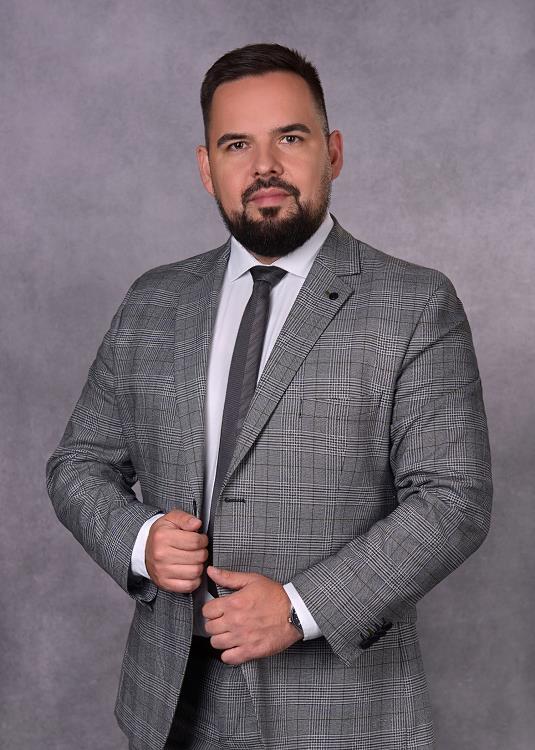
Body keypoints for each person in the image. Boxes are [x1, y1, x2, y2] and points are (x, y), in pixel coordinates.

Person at [46, 43, 492, 750]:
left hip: (337, 714)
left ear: (332, 151)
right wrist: (137, 540)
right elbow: (79, 464)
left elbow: (452, 500)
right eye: (237, 145)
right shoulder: (152, 302)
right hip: (168, 708)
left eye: (289, 138)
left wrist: (296, 608)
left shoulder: (414, 304)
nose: (264, 167)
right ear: (206, 168)